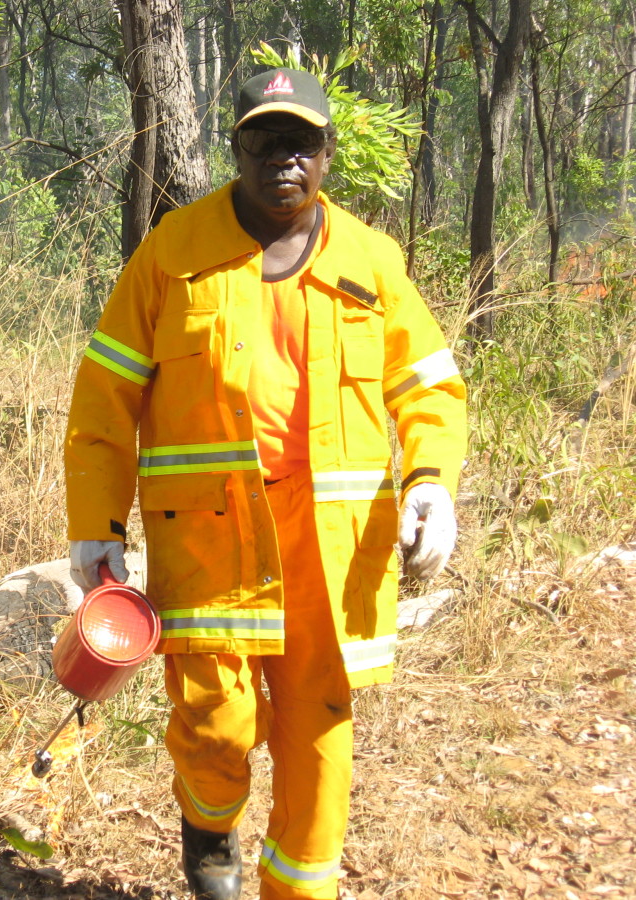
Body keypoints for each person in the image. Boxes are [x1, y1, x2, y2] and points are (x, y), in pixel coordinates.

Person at [63, 68, 467, 900]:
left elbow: (426, 383)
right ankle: (211, 841)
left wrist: (431, 480)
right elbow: (106, 393)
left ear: (326, 154)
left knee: (319, 735)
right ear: (236, 149)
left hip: (331, 547)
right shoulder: (173, 251)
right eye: (263, 141)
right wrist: (95, 522)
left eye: (301, 143)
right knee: (216, 721)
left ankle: (300, 889)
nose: (284, 160)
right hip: (211, 538)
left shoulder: (370, 259)